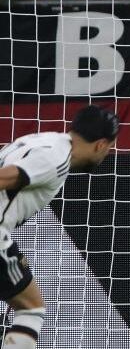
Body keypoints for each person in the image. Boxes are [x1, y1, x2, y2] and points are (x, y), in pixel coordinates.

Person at [0, 105, 119, 349]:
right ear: (101, 145)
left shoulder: (43, 140)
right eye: (109, 148)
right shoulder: (55, 159)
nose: (106, 154)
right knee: (31, 308)